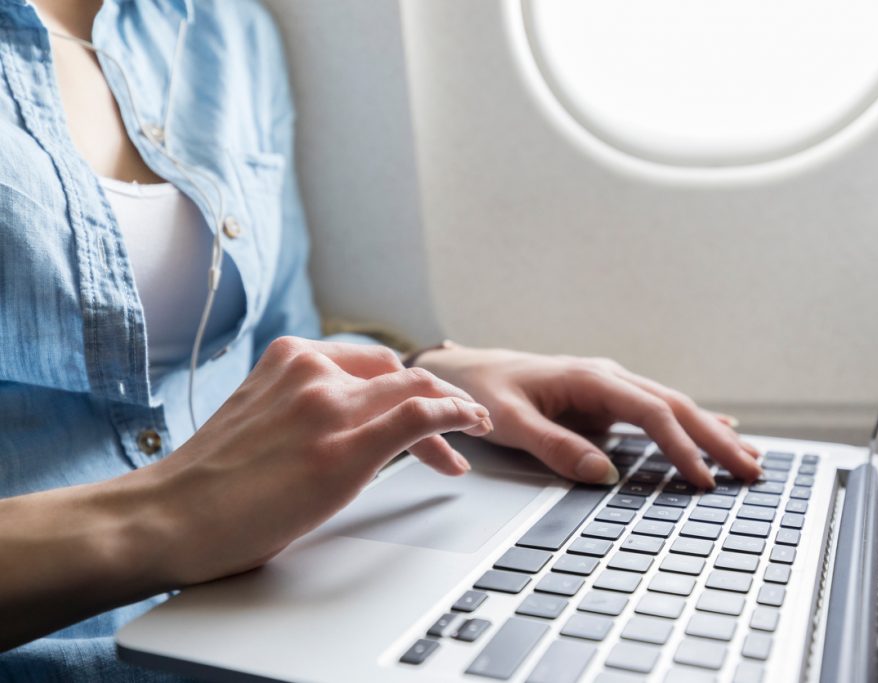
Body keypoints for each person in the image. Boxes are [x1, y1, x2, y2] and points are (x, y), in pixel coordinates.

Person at [0, 0, 761, 679]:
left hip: (272, 604)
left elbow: (278, 350)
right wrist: (164, 515)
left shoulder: (223, 29)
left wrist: (428, 370)